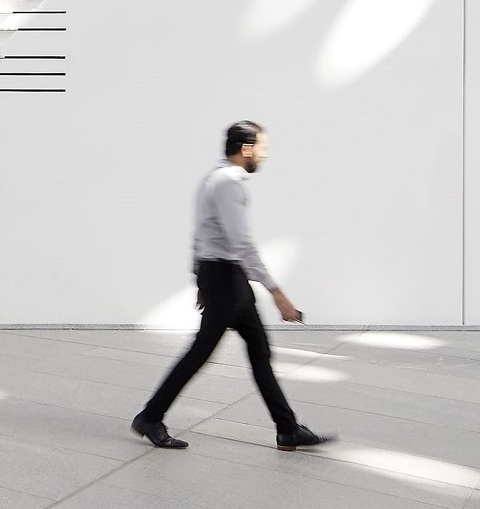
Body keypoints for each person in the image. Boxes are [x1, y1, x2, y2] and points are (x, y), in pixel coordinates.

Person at [131, 121, 335, 451]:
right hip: (226, 278)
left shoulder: (214, 179)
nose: (264, 157)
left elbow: (200, 235)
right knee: (202, 352)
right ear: (246, 149)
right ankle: (150, 417)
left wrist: (199, 278)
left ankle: (287, 429)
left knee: (259, 351)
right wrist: (276, 291)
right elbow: (241, 243)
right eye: (262, 150)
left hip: (227, 277)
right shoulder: (228, 183)